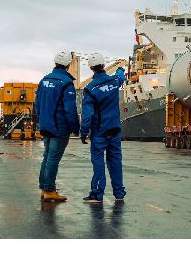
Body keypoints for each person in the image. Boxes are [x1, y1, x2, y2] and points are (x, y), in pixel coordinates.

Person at [80, 53, 127, 204]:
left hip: (99, 133)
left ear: (91, 68)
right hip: (115, 129)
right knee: (116, 162)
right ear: (103, 65)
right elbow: (121, 76)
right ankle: (119, 193)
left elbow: (87, 115)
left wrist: (84, 132)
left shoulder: (90, 89)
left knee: (99, 163)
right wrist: (120, 69)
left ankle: (97, 194)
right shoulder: (115, 81)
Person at [35, 51, 80, 202]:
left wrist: (42, 121)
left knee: (47, 156)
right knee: (53, 158)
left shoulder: (44, 80)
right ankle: (49, 190)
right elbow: (70, 110)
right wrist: (75, 128)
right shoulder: (66, 83)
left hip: (46, 126)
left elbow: (37, 105)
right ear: (68, 65)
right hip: (59, 128)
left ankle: (44, 188)